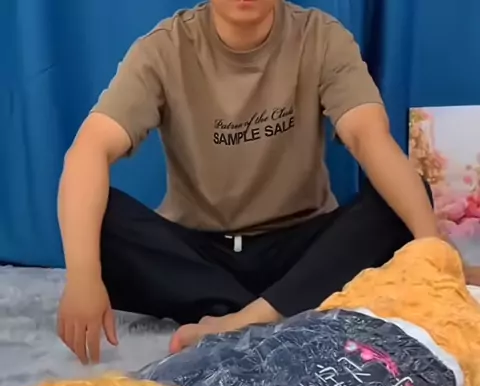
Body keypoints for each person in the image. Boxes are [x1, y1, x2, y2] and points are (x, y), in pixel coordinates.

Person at [56, 0, 473, 365]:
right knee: (97, 216)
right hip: (200, 254)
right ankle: (288, 306)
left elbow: (368, 137)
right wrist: (82, 279)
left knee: (402, 200)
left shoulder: (320, 37)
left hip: (299, 247)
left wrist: (433, 253)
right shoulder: (163, 49)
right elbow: (89, 150)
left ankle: (248, 318)